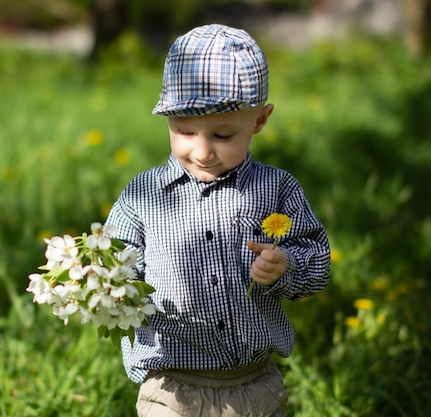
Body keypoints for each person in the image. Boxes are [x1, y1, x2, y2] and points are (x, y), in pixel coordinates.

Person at [106, 24, 331, 417]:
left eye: (223, 135)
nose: (203, 150)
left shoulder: (276, 189)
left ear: (260, 120)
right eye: (184, 130)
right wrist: (105, 284)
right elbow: (115, 264)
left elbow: (318, 263)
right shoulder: (144, 196)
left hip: (255, 384)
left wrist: (287, 266)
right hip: (170, 384)